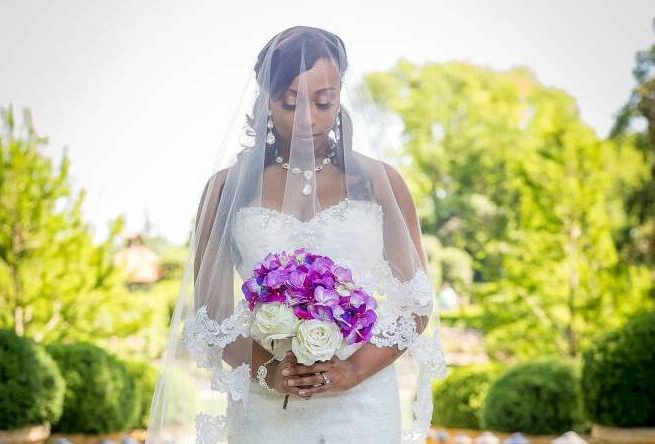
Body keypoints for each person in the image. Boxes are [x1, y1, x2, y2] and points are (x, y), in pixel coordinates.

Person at [146, 25, 447, 444]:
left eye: (324, 103)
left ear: (340, 96)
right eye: (289, 104)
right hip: (265, 410)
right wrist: (271, 372)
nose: (308, 119)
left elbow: (415, 302)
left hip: (362, 406)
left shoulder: (380, 183)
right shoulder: (226, 189)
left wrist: (353, 369)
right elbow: (211, 317)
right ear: (265, 101)